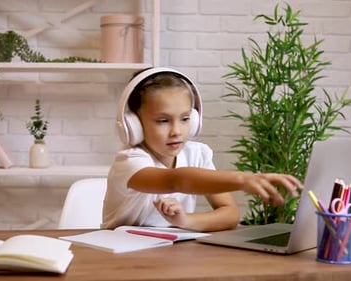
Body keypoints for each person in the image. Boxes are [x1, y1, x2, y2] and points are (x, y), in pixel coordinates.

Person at [102, 67, 302, 232]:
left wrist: (185, 221)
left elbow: (230, 213)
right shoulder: (129, 161)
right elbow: (175, 180)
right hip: (119, 257)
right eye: (163, 121)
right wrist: (242, 179)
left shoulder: (196, 154)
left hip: (167, 256)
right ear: (134, 124)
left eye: (185, 119)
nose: (176, 131)